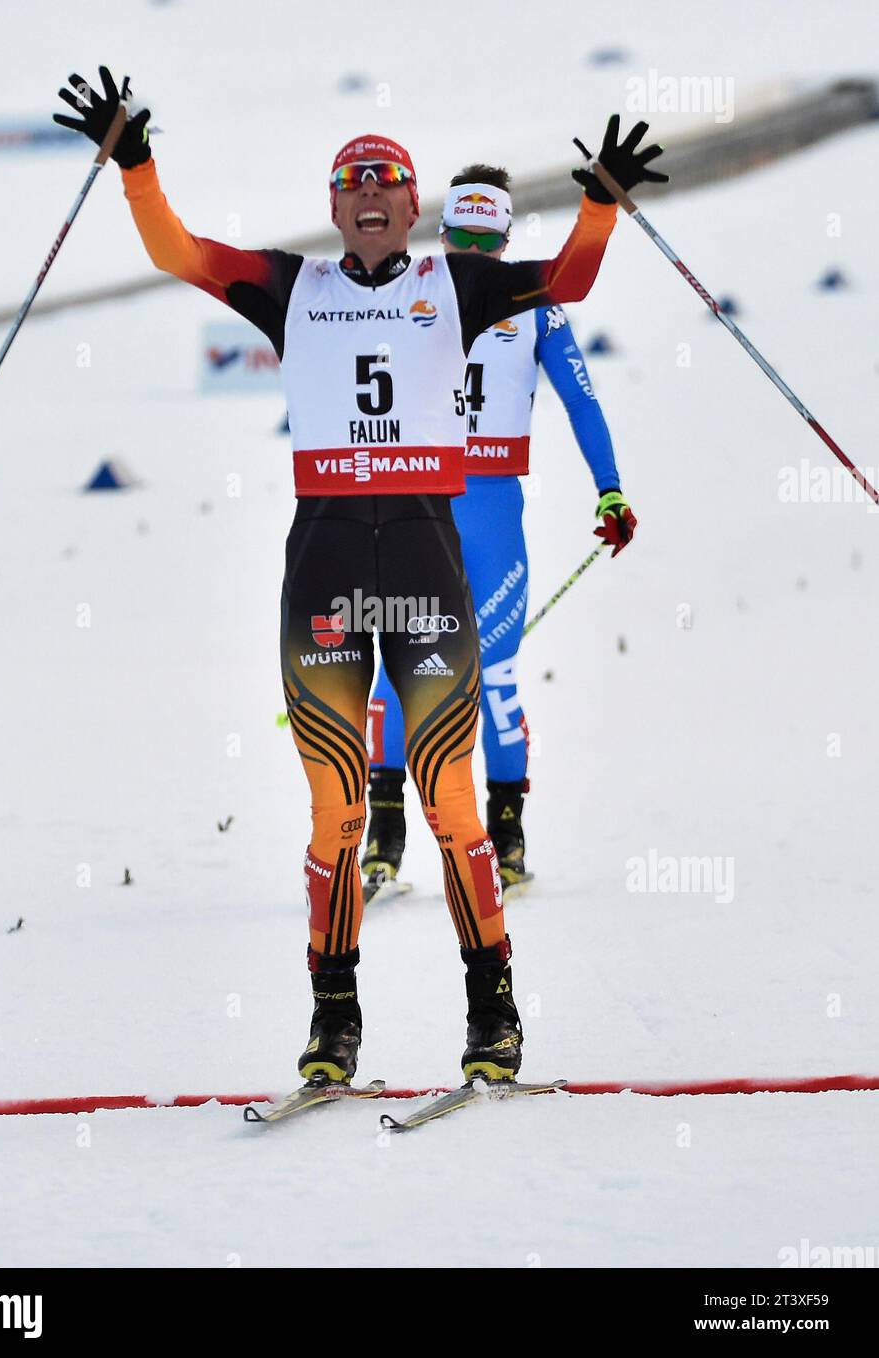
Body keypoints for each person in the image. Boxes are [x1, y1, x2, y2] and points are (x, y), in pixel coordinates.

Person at [54, 71, 666, 1084]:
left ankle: (492, 1013)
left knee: (450, 806)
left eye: (387, 180)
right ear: (334, 206)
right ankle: (333, 1022)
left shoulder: (453, 286)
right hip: (327, 571)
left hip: (428, 566)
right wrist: (136, 165)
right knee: (335, 815)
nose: (371, 194)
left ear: (411, 201)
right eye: (352, 182)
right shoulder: (291, 288)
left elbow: (565, 283)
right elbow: (177, 252)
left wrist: (600, 204)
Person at [362, 164, 636, 897]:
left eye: (486, 243)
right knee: (406, 672)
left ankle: (502, 836)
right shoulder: (425, 290)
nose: (475, 256)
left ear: (502, 237)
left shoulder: (516, 300)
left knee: (479, 677)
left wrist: (610, 490)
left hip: (463, 515)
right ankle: (389, 836)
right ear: (446, 233)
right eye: (466, 242)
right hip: (425, 510)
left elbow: (581, 401)